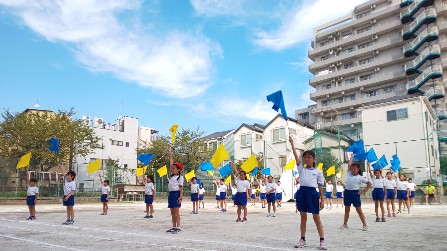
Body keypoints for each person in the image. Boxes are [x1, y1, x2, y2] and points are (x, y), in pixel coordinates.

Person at [290, 136, 327, 250]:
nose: (306, 159)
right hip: (302, 193)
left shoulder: (318, 172)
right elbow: (296, 157)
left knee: (316, 218)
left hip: (312, 194)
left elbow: (320, 186)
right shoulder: (301, 169)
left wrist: (322, 199)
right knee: (303, 217)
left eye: (309, 157)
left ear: (314, 159)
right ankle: (302, 239)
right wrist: (292, 144)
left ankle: (322, 241)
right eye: (305, 157)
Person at [340, 154, 371, 231]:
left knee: (359, 210)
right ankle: (345, 224)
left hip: (355, 194)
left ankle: (365, 225)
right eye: (352, 169)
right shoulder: (349, 174)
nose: (353, 170)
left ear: (358, 169)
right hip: (347, 193)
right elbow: (349, 164)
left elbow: (369, 183)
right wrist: (351, 157)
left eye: (354, 169)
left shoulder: (360, 177)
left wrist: (364, 191)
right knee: (347, 210)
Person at [166, 147, 184, 234]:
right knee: (172, 212)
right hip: (171, 194)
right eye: (172, 168)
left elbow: (181, 188)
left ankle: (178, 227)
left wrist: (180, 196)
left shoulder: (180, 178)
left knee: (177, 212)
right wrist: (170, 156)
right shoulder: (172, 176)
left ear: (178, 170)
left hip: (176, 194)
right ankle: (173, 226)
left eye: (174, 168)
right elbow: (171, 164)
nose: (172, 169)